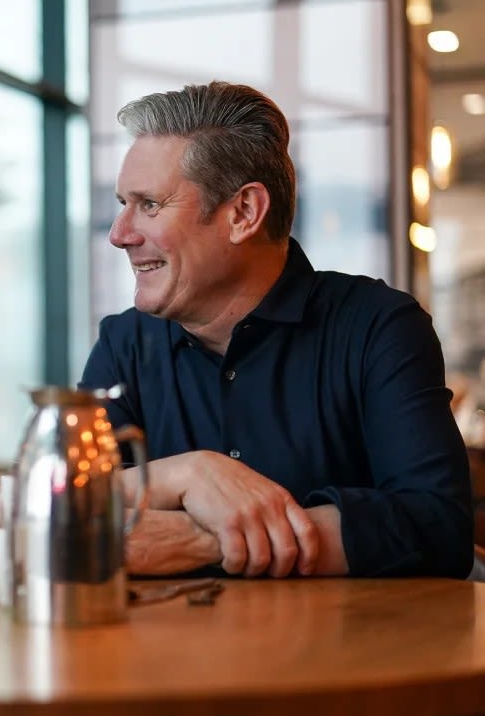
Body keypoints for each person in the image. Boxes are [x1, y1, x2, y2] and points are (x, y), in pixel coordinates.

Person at [80, 81, 472, 580]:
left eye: (150, 205)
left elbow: (439, 529)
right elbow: (61, 509)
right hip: (166, 655)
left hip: (347, 655)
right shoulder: (124, 344)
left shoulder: (378, 326)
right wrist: (186, 474)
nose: (119, 234)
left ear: (243, 212)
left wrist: (207, 540)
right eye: (122, 203)